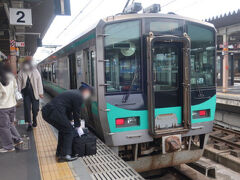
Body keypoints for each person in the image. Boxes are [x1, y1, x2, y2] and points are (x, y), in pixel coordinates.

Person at [42, 82, 93, 162]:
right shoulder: (79, 97)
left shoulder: (75, 93)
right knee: (69, 131)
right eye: (89, 93)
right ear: (85, 91)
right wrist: (78, 126)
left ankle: (60, 153)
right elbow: (77, 112)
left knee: (64, 130)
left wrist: (70, 120)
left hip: (48, 111)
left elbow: (69, 109)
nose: (89, 95)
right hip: (54, 112)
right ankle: (65, 155)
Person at [0, 62, 23, 153]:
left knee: (4, 127)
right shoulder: (11, 76)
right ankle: (17, 139)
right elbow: (15, 89)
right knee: (9, 124)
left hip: (2, 107)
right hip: (12, 105)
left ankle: (9, 146)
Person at [18, 56, 44, 131]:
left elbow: (39, 82)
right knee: (27, 109)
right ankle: (29, 123)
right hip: (26, 94)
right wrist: (19, 94)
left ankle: (34, 119)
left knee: (35, 109)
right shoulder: (21, 72)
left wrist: (40, 92)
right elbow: (19, 83)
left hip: (35, 92)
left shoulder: (35, 71)